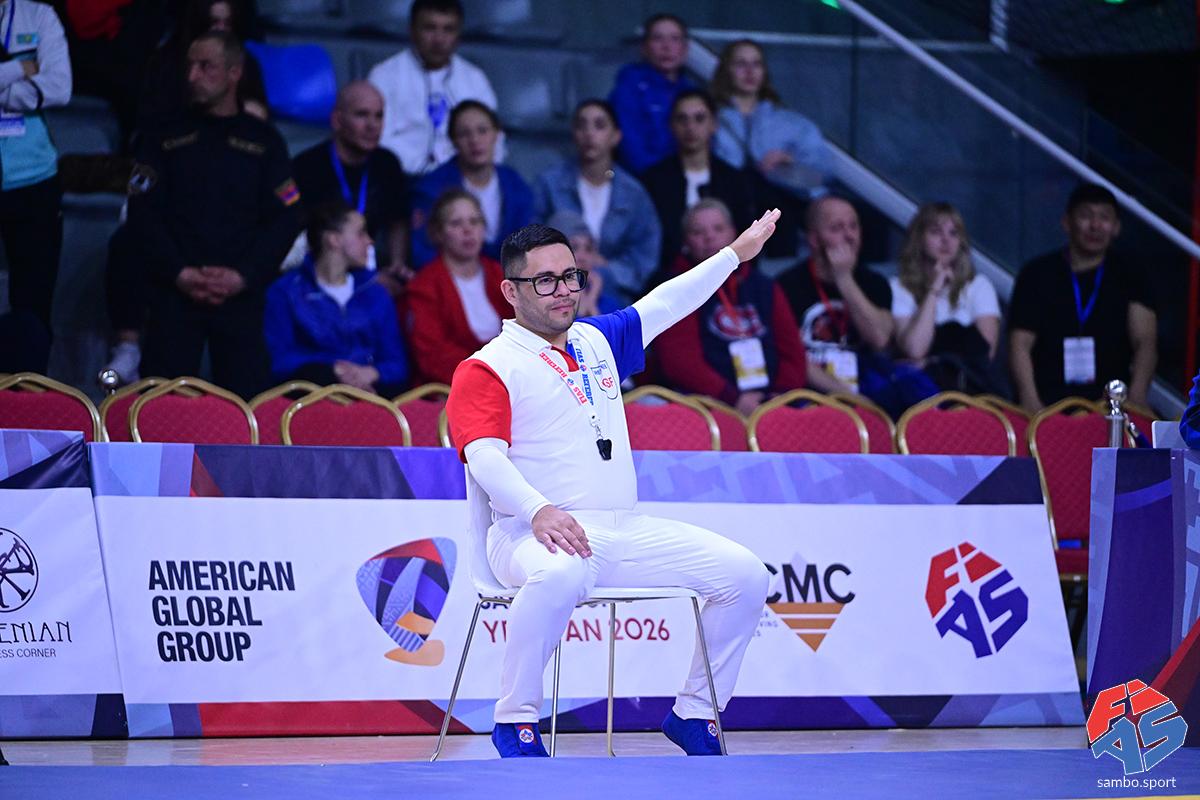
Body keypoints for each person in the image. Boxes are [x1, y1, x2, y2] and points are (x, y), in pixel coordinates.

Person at [444, 210, 780, 758]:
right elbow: (483, 458)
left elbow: (667, 303)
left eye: (570, 276)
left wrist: (733, 256)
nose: (563, 290)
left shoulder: (596, 340)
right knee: (560, 572)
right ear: (510, 291)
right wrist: (537, 510)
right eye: (545, 280)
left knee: (745, 576)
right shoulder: (487, 367)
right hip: (526, 535)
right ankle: (515, 719)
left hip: (622, 530)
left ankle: (695, 713)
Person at [128, 31, 300, 398]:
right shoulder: (162, 135)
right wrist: (179, 272)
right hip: (173, 291)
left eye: (205, 66)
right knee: (161, 406)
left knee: (248, 406)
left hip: (241, 295)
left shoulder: (265, 141)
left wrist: (245, 275)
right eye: (190, 66)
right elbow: (141, 212)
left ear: (234, 72)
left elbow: (286, 218)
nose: (192, 76)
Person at [1008, 183, 1157, 412]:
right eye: (1086, 215)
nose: (1095, 225)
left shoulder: (1131, 274)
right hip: (1048, 404)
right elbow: (1020, 343)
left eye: (1104, 217)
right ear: (1066, 222)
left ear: (1116, 227)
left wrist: (1137, 395)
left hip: (1112, 406)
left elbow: (1145, 342)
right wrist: (1029, 400)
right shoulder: (1036, 274)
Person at [778, 196, 933, 414]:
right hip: (814, 388)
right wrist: (851, 398)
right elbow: (796, 359)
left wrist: (844, 278)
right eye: (836, 228)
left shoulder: (874, 282)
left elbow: (880, 339)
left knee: (915, 385)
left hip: (868, 381)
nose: (849, 236)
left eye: (853, 226)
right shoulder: (786, 285)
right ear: (814, 239)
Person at [655, 200, 807, 415]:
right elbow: (679, 361)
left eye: (718, 229)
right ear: (685, 241)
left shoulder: (764, 286)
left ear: (734, 233)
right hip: (706, 403)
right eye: (698, 232)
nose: (709, 237)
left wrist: (778, 396)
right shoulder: (677, 286)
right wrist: (732, 398)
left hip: (773, 401)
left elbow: (793, 353)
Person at [263, 202, 407, 395]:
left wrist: (371, 373)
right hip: (310, 399)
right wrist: (333, 371)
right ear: (334, 240)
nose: (369, 241)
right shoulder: (286, 291)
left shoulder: (376, 293)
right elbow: (280, 360)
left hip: (371, 396)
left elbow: (397, 363)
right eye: (361, 233)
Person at [0, 0, 72, 370]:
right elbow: (38, 79)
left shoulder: (39, 15)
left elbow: (60, 87)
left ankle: (29, 393)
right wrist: (19, 68)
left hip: (33, 178)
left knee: (33, 309)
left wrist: (4, 94)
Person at [532, 99, 661, 305]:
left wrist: (605, 268)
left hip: (617, 297)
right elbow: (530, 244)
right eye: (581, 126)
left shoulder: (634, 193)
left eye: (599, 126)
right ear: (574, 134)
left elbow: (644, 255)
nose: (589, 133)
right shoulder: (549, 184)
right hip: (555, 291)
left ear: (616, 136)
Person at [291, 81, 410, 289]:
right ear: (337, 120)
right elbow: (297, 239)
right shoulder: (306, 167)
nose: (372, 125)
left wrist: (396, 263)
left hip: (370, 266)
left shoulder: (387, 164)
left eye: (379, 116)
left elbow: (397, 221)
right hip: (318, 271)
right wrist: (362, 279)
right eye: (362, 115)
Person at [367, 0, 497, 175]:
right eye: (429, 28)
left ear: (458, 35)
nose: (439, 39)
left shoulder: (474, 79)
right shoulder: (384, 75)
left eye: (448, 29)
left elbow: (493, 138)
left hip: (460, 178)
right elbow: (377, 137)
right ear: (412, 31)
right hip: (401, 177)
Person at [640, 90, 758, 273]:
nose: (690, 127)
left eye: (699, 118)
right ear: (671, 125)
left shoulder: (735, 181)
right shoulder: (653, 181)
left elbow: (748, 236)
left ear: (714, 124)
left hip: (728, 274)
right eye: (682, 119)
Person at [891, 202, 1001, 393]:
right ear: (919, 238)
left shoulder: (979, 286)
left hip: (968, 392)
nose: (946, 240)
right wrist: (934, 289)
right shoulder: (898, 287)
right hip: (917, 395)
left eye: (953, 233)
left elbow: (984, 357)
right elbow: (914, 349)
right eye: (936, 232)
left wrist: (931, 363)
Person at [409, 100, 532, 269]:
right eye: (463, 134)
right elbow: (422, 251)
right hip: (448, 278)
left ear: (497, 134)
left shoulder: (516, 185)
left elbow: (526, 246)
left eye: (482, 131)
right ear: (453, 141)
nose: (474, 140)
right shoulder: (430, 188)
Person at [404, 190, 509, 385]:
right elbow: (432, 354)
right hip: (450, 389)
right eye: (456, 223)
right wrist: (487, 376)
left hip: (508, 381)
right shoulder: (424, 286)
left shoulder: (501, 275)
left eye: (474, 221)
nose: (468, 230)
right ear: (438, 233)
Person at [710, 39, 831, 200]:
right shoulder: (708, 120)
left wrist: (789, 162)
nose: (750, 71)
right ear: (726, 70)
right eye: (740, 64)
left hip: (781, 204)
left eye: (756, 64)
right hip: (725, 202)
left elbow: (823, 175)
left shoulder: (793, 124)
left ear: (764, 71)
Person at [137, 0, 267, 137]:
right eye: (214, 22)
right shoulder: (168, 61)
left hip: (231, 139)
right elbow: (156, 115)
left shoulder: (246, 63)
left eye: (227, 23)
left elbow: (258, 111)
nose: (221, 30)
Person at [608, 13, 696, 174]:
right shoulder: (629, 88)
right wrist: (662, 176)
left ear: (685, 49)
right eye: (657, 38)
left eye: (675, 39)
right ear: (644, 48)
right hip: (640, 178)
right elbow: (631, 148)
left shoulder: (692, 92)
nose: (667, 47)